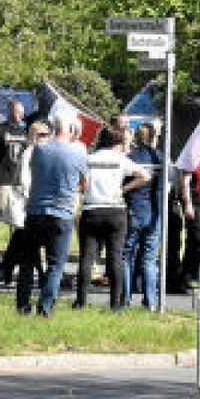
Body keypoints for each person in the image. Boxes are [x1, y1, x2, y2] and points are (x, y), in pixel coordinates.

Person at [16, 108, 88, 317]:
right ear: (71, 128)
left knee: (28, 261)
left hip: (36, 210)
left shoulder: (39, 149)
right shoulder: (78, 153)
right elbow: (84, 184)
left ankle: (23, 305)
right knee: (55, 264)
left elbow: (33, 171)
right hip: (62, 213)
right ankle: (45, 307)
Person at [73, 128, 149, 311]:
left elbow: (81, 182)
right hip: (115, 210)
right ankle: (115, 304)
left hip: (92, 210)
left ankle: (81, 301)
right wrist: (124, 189)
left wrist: (86, 189)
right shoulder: (120, 159)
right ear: (117, 144)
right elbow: (145, 175)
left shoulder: (89, 159)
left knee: (87, 257)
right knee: (115, 258)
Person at [0, 120, 49, 286]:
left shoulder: (42, 151)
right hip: (26, 200)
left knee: (21, 238)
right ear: (34, 136)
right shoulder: (30, 152)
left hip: (34, 200)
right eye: (42, 134)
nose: (45, 137)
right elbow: (24, 178)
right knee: (28, 239)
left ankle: (6, 267)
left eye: (47, 134)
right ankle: (40, 274)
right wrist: (32, 197)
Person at [0, 100, 30, 273]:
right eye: (16, 111)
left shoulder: (24, 131)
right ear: (9, 111)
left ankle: (11, 259)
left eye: (21, 111)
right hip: (3, 180)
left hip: (19, 182)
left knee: (18, 222)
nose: (19, 114)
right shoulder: (0, 129)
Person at [123, 122, 162, 309]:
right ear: (154, 137)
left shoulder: (129, 157)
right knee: (149, 258)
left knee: (127, 256)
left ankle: (125, 299)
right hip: (154, 212)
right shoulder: (160, 158)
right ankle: (151, 301)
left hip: (133, 209)